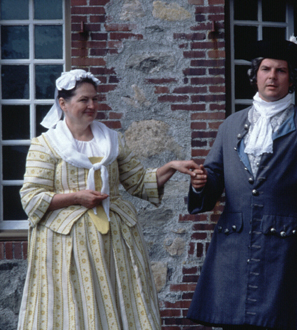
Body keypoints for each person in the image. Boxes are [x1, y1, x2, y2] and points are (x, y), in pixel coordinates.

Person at [17, 69, 199, 330]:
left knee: (121, 302)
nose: (91, 106)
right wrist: (76, 197)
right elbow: (31, 198)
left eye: (95, 99)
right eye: (83, 100)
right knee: (73, 310)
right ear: (63, 104)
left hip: (115, 243)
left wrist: (170, 166)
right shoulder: (46, 145)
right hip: (67, 246)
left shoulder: (112, 141)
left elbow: (138, 181)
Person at [187, 39, 297, 330]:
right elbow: (212, 176)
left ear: (292, 79)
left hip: (286, 251)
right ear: (255, 75)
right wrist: (201, 182)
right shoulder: (230, 126)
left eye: (281, 71)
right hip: (234, 246)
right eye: (266, 69)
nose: (272, 76)